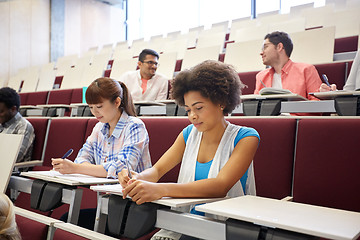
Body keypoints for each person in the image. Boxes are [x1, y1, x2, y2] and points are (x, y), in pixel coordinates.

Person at [119, 60, 260, 240]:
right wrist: (136, 178)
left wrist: (161, 190)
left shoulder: (247, 137)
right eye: (188, 110)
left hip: (226, 229)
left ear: (221, 102)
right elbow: (157, 170)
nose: (192, 116)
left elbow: (220, 186)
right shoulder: (188, 134)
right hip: (186, 225)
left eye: (199, 108)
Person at [52, 77, 152, 179]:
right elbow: (82, 158)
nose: (94, 112)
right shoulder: (99, 127)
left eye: (99, 106)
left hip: (134, 192)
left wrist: (76, 168)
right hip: (105, 191)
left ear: (117, 102)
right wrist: (81, 167)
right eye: (91, 107)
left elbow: (122, 169)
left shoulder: (135, 126)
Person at [254, 31, 322, 101]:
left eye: (265, 47)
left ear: (279, 47)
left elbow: (317, 103)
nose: (261, 53)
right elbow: (255, 104)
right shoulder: (261, 76)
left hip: (296, 112)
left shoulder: (306, 70)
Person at [0, 87, 34, 165]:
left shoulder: (24, 126)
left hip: (12, 171)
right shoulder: (2, 122)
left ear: (13, 109)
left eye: (0, 112)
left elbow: (15, 157)